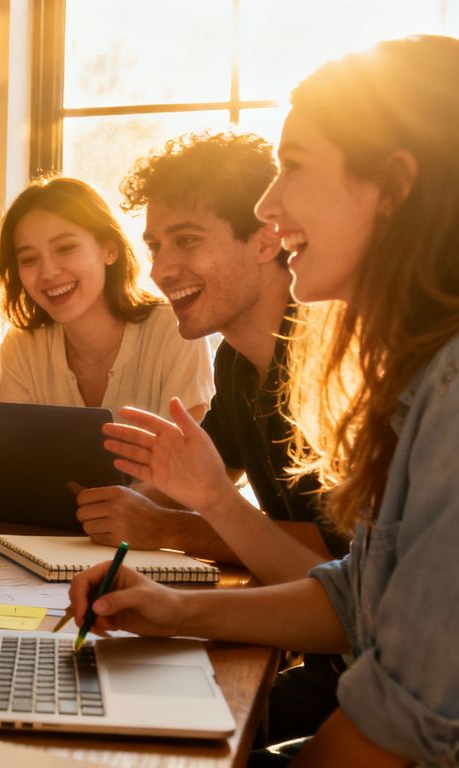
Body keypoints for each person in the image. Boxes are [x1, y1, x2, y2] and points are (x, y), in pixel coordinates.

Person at [75, 36, 459, 767]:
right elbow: (357, 597)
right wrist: (174, 609)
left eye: (295, 166)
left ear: (395, 187)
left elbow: (399, 731)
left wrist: (196, 517)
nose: (269, 203)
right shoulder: (407, 378)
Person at [103, 131, 348, 581]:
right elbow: (195, 477)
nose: (160, 270)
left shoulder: (337, 366)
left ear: (264, 240)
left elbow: (339, 556)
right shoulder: (235, 360)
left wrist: (167, 529)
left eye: (188, 240)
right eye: (156, 247)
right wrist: (100, 507)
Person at [0, 177, 214, 490]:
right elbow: (11, 459)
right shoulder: (24, 343)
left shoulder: (174, 330)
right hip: (52, 531)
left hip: (148, 531)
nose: (48, 272)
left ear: (109, 249)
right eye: (29, 259)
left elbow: (186, 472)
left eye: (65, 248)